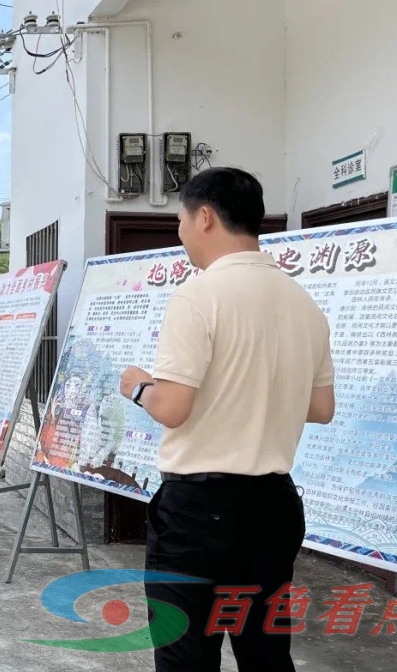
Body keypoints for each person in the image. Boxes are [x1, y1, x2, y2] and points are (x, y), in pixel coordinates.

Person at [118, 167, 335, 672]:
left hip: (198, 513)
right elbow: (321, 408)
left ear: (206, 217)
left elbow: (173, 409)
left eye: (181, 219)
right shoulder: (304, 304)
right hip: (274, 508)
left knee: (186, 656)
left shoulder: (200, 295)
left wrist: (139, 386)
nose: (181, 231)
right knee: (265, 654)